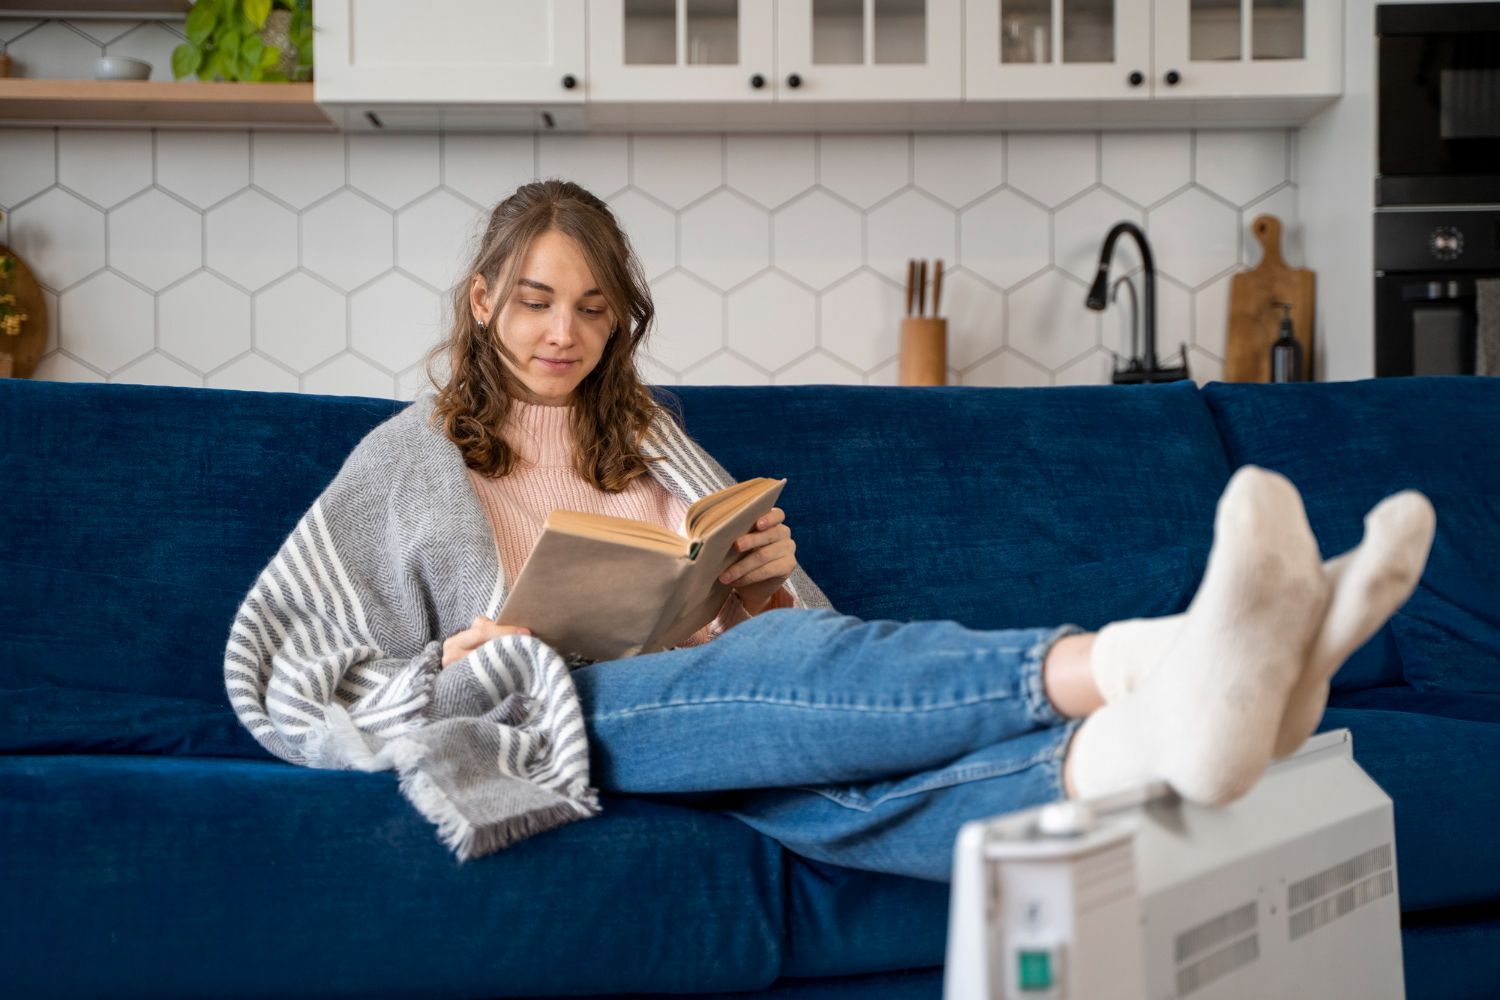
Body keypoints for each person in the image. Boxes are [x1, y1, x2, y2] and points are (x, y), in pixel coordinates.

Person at [226, 179, 1435, 882]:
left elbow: (797, 629)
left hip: (706, 709)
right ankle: (1147, 657)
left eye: (593, 308)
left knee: (852, 795)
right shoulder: (405, 461)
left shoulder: (646, 435)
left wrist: (764, 580)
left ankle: (1171, 740)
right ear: (483, 299)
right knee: (761, 676)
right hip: (572, 711)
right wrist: (451, 660)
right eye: (535, 301)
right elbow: (279, 665)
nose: (563, 332)